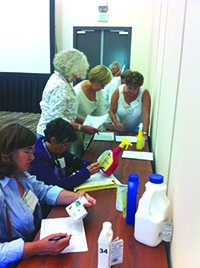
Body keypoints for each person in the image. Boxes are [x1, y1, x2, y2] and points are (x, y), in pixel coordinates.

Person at [0, 123, 96, 267]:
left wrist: (77, 197)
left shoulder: (20, 175)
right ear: (9, 153)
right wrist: (39, 247)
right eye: (28, 152)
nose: (32, 157)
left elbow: (44, 190)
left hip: (37, 243)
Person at [37, 48, 99, 140]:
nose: (77, 76)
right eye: (76, 73)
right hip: (51, 136)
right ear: (69, 69)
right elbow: (58, 118)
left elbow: (67, 111)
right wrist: (81, 128)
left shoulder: (59, 79)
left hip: (57, 132)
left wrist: (84, 121)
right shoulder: (60, 86)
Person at [29, 118, 101, 191]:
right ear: (53, 140)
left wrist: (89, 165)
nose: (68, 149)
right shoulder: (38, 157)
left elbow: (73, 160)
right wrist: (85, 173)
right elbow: (54, 185)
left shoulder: (57, 147)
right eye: (67, 145)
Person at [71, 65, 112, 156]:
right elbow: (70, 116)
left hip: (86, 125)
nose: (103, 88)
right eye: (102, 85)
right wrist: (86, 124)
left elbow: (100, 112)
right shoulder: (76, 93)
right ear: (96, 80)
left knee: (87, 152)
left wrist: (107, 125)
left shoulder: (98, 91)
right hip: (73, 128)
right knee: (77, 154)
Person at [109, 71, 151, 139]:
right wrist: (116, 123)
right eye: (130, 88)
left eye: (135, 89)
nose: (132, 91)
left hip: (137, 132)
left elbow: (146, 115)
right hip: (121, 131)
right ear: (126, 84)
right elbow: (111, 111)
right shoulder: (118, 92)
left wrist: (144, 133)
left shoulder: (144, 93)